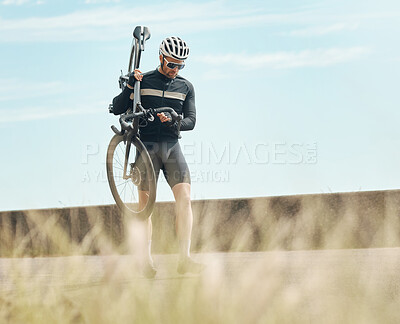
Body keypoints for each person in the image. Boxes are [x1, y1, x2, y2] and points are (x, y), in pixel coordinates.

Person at [112, 36, 204, 278]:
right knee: (145, 208)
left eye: (180, 65)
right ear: (161, 58)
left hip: (172, 147)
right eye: (171, 64)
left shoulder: (186, 87)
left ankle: (184, 258)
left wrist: (175, 121)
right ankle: (145, 262)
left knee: (185, 199)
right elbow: (118, 107)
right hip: (147, 147)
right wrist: (131, 86)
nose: (175, 70)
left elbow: (191, 121)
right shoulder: (144, 81)